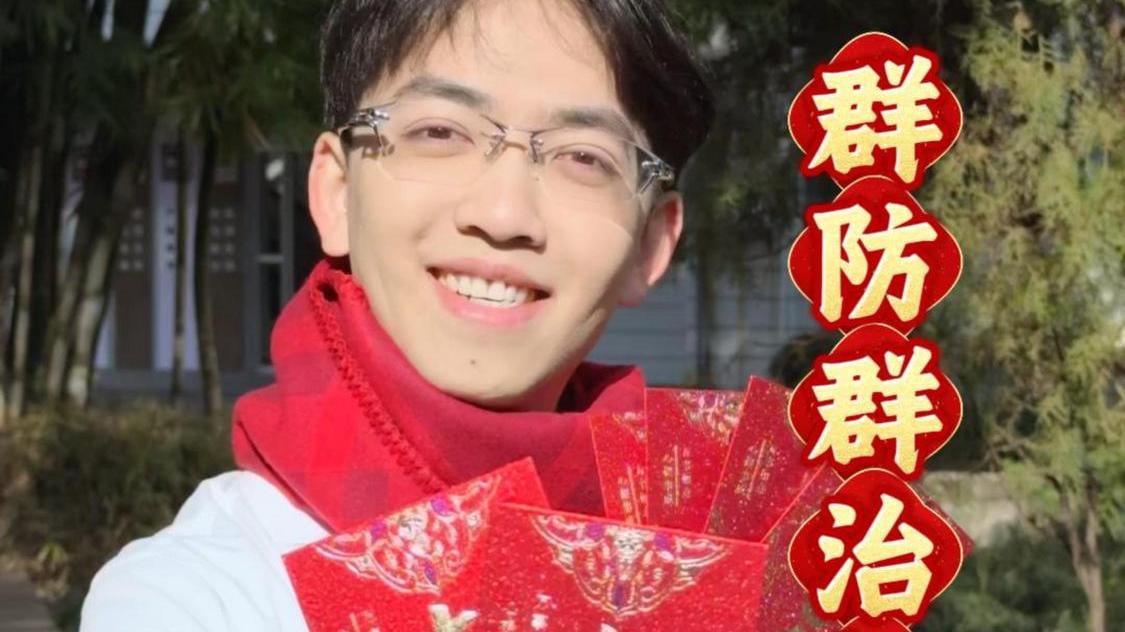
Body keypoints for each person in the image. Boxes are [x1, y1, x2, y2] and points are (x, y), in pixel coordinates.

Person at [79, 0, 714, 629]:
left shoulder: (712, 552)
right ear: (337, 193)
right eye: (440, 132)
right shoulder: (196, 595)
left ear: (650, 245)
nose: (503, 215)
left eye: (584, 157)